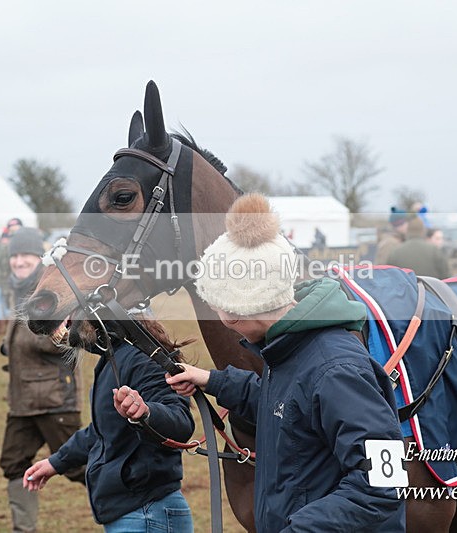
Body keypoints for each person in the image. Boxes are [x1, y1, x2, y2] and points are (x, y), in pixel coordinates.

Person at [166, 193, 405, 532]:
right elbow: (286, 405)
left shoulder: (337, 370)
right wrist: (212, 380)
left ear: (237, 312)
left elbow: (386, 482)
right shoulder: (292, 350)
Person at [22, 319, 196, 532]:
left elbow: (180, 423)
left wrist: (146, 413)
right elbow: (104, 430)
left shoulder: (141, 359)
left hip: (148, 514)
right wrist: (56, 462)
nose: (66, 326)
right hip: (133, 513)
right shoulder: (114, 358)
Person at [0, 227, 85, 533]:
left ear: (41, 258)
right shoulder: (22, 288)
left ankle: (130, 507)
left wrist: (35, 337)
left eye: (27, 255)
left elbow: (67, 340)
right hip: (22, 401)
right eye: (15, 256)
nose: (19, 262)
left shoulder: (53, 289)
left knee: (79, 468)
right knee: (13, 462)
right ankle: (24, 529)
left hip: (54, 399)